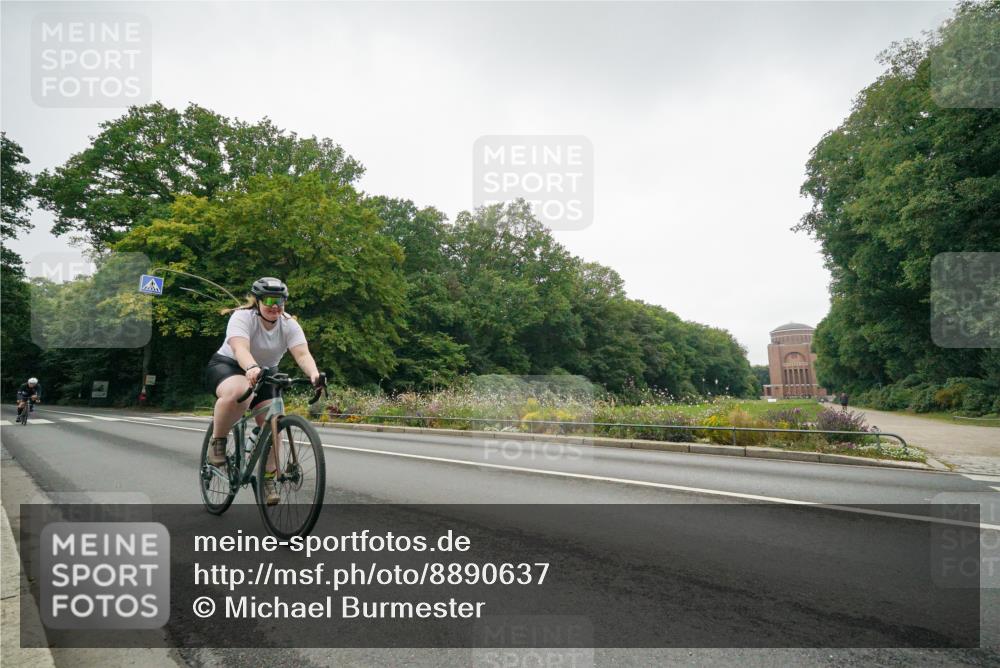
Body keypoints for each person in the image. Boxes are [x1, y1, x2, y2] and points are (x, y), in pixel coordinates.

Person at [203, 277, 322, 505]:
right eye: (269, 300)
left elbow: (303, 355)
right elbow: (240, 348)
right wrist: (250, 367)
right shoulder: (242, 317)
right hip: (229, 365)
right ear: (257, 301)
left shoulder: (289, 324)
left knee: (274, 423)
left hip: (266, 371)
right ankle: (218, 440)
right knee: (239, 392)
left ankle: (268, 478)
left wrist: (314, 374)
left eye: (280, 301)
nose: (275, 306)